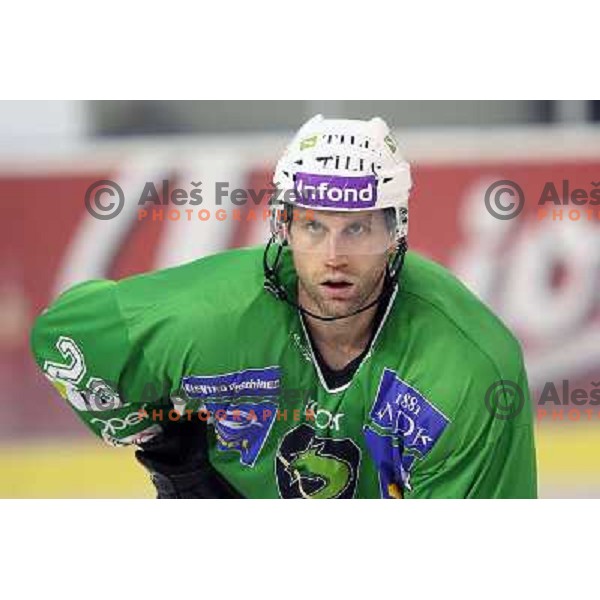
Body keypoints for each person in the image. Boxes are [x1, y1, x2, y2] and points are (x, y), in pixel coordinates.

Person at [30, 115, 537, 498]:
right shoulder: (211, 315)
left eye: (357, 227)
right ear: (285, 228)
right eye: (314, 226)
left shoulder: (470, 369)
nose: (335, 256)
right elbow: (65, 335)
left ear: (394, 233)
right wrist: (164, 440)